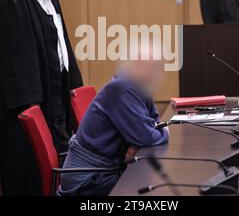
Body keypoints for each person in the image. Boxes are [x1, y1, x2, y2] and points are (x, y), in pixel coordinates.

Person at [0, 0, 83, 196]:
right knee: (32, 171)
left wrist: (73, 85)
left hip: (55, 92)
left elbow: (62, 43)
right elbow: (19, 64)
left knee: (61, 159)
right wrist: (34, 110)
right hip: (33, 102)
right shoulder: (14, 1)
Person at [58, 44, 170, 196]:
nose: (154, 73)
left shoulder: (140, 86)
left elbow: (153, 121)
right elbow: (147, 136)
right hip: (88, 179)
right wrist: (162, 133)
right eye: (149, 66)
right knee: (155, 190)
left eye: (157, 67)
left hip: (105, 170)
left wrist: (143, 137)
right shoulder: (122, 87)